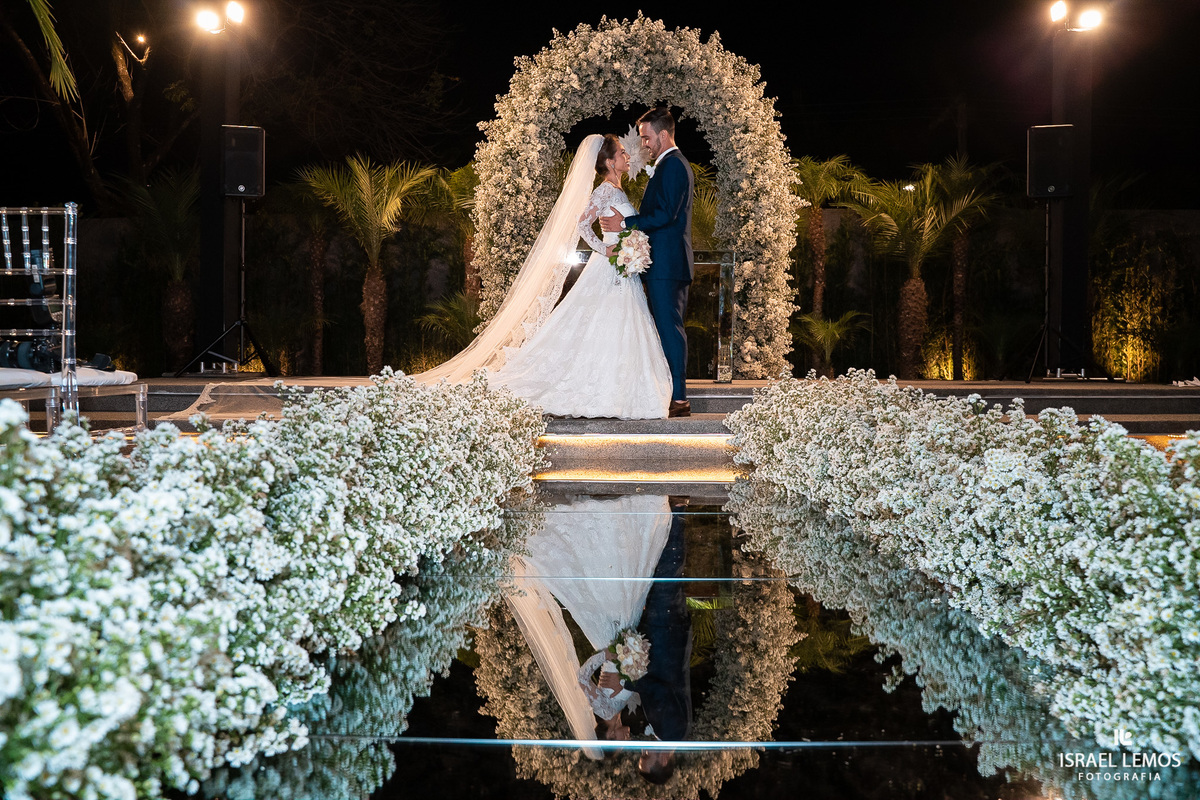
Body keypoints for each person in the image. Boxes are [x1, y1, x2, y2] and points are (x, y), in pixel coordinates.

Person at [416, 134, 672, 419]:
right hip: (610, 269)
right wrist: (605, 249)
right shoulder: (605, 191)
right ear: (610, 161)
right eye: (622, 153)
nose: (627, 157)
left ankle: (619, 387)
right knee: (599, 324)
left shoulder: (618, 191)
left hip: (624, 271)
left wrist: (631, 249)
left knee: (615, 325)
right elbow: (582, 225)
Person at [600, 108, 695, 418]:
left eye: (646, 138)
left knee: (670, 329)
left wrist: (626, 223)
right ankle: (669, 392)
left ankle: (679, 398)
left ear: (663, 135)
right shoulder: (667, 166)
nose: (644, 144)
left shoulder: (674, 167)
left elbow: (666, 215)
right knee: (667, 328)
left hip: (668, 266)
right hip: (663, 264)